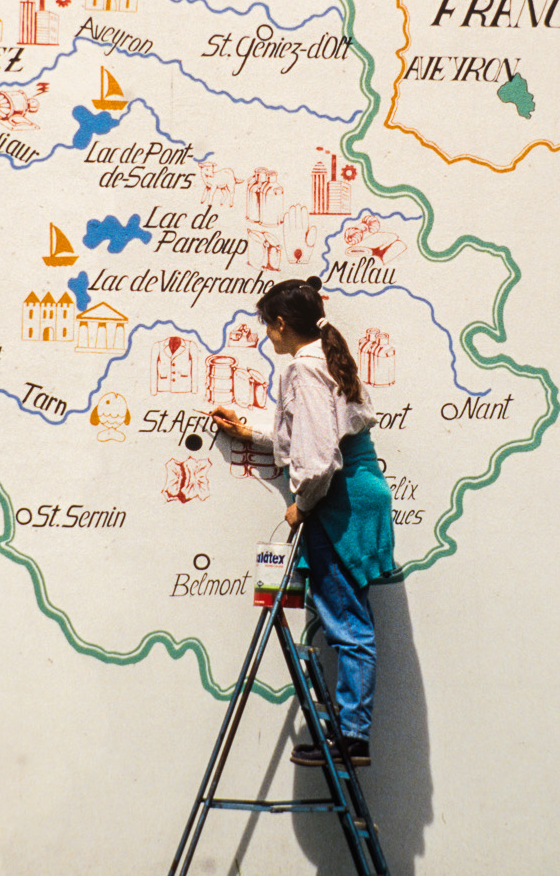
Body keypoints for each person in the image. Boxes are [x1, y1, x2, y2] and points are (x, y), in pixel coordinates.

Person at [211, 276, 395, 769]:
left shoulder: (303, 371)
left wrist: (303, 505)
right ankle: (350, 732)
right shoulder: (324, 360)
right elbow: (312, 436)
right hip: (358, 493)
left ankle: (352, 737)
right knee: (349, 614)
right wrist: (247, 431)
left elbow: (318, 460)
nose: (266, 337)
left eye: (267, 326)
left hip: (339, 501)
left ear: (280, 323)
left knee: (346, 620)